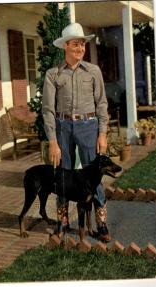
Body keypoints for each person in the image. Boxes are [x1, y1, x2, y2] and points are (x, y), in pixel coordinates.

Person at [42, 23, 111, 242]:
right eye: (75, 44)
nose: (80, 48)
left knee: (95, 175)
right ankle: (62, 222)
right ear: (65, 47)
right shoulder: (53, 74)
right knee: (62, 175)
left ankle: (101, 223)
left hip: (89, 126)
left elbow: (102, 104)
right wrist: (53, 141)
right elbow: (48, 110)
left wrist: (102, 133)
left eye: (82, 44)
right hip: (63, 128)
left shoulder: (93, 71)